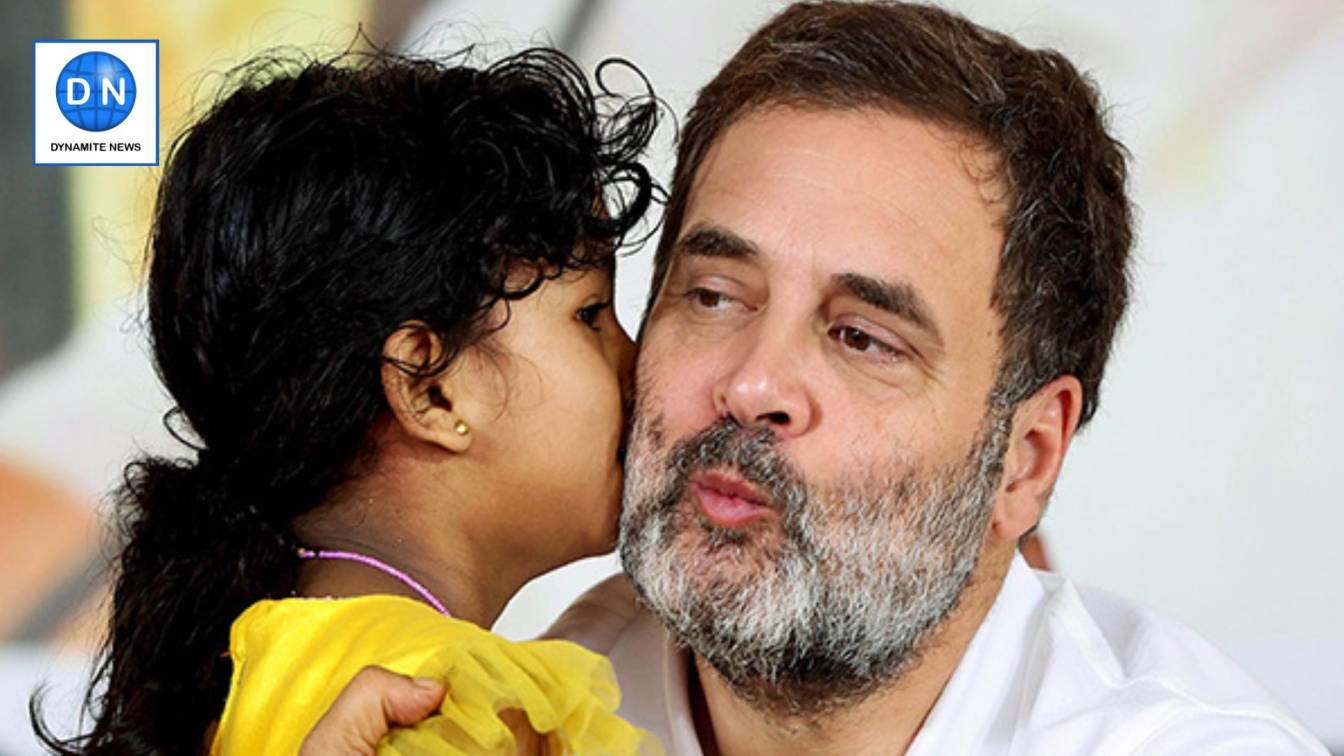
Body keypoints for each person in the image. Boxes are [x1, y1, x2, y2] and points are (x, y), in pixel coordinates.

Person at [306, 2, 1329, 754]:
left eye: (861, 337)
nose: (752, 386)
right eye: (714, 295)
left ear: (1025, 460)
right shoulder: (504, 716)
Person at [34, 46, 666, 755]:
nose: (640, 362)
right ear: (429, 388)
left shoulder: (265, 652)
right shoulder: (439, 705)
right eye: (591, 315)